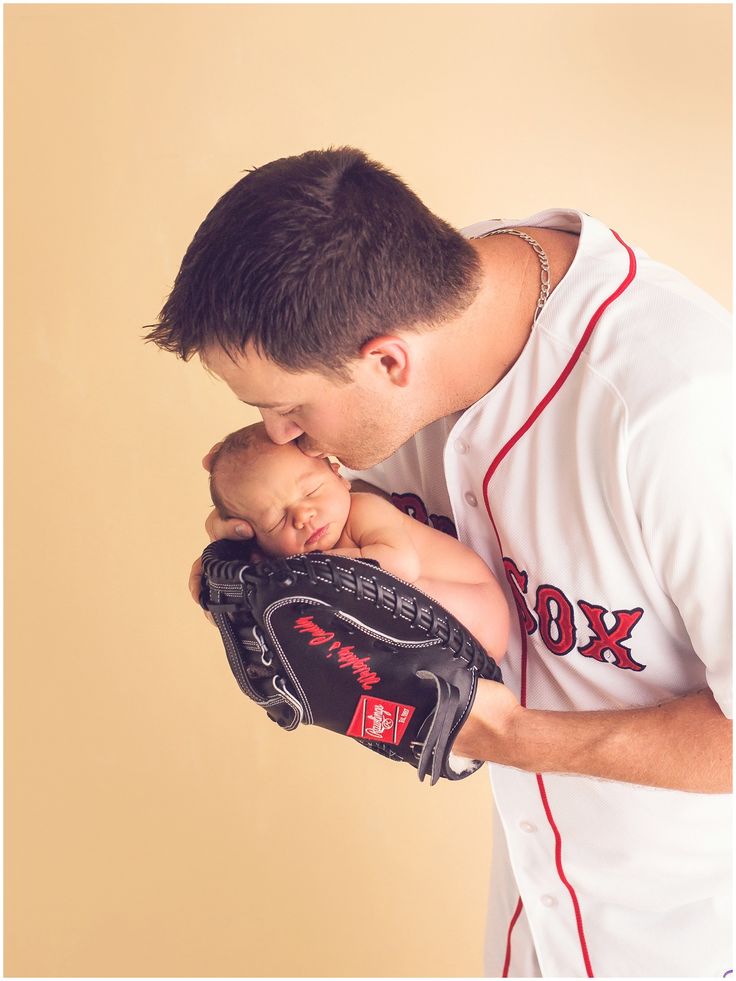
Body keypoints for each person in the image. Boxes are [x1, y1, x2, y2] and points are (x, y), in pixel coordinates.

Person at [146, 147, 732, 978]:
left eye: (286, 409)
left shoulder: (674, 414)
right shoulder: (411, 311)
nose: (280, 435)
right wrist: (254, 540)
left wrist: (514, 734)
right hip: (536, 914)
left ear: (387, 361)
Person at [207, 421, 510, 662]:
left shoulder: (364, 509)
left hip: (477, 611)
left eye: (311, 491)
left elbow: (401, 565)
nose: (303, 516)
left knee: (385, 596)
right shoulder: (287, 558)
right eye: (276, 520)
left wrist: (312, 569)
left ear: (339, 477)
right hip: (438, 650)